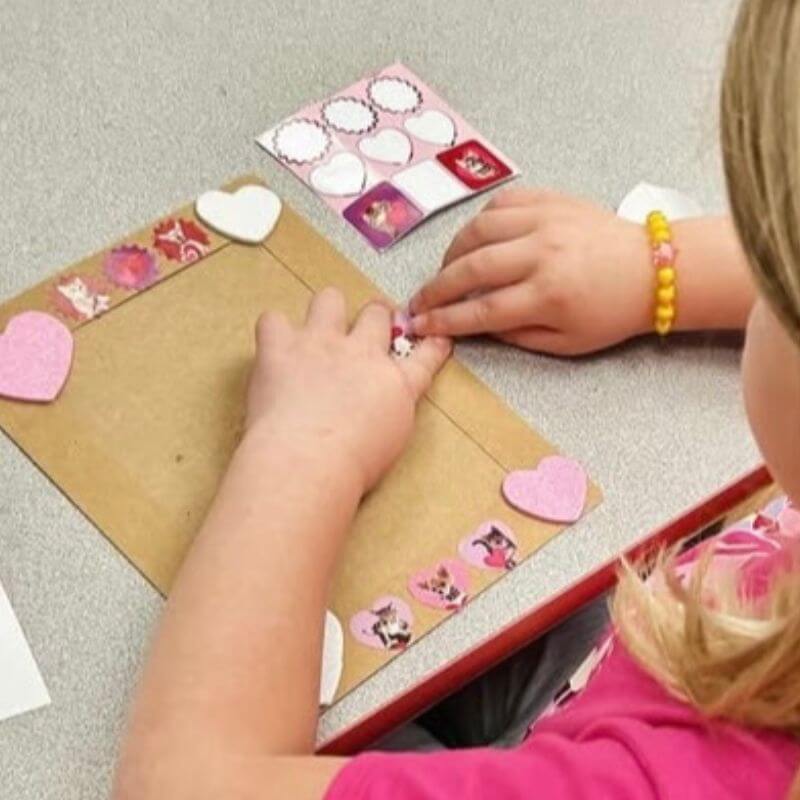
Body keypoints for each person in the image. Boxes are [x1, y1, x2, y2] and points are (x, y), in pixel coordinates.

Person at [111, 1, 800, 797]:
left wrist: (303, 451)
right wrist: (659, 264)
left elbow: (182, 785)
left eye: (764, 243)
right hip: (661, 652)